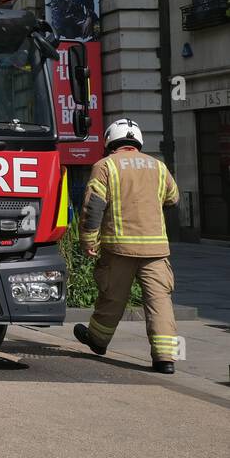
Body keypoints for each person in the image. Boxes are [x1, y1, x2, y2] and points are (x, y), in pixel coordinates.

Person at [74, 119, 181, 373]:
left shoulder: (105, 166)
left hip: (119, 247)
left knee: (112, 297)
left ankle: (98, 341)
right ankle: (165, 358)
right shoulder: (159, 166)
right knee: (159, 302)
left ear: (110, 141)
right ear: (138, 142)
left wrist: (89, 240)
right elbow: (173, 198)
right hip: (156, 250)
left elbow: (93, 207)